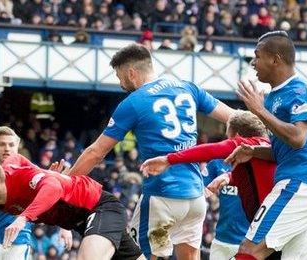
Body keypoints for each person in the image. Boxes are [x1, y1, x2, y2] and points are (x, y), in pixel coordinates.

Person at [66, 43, 234, 259]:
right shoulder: (188, 87)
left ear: (131, 73)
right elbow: (233, 117)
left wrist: (66, 183)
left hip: (162, 196)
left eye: (120, 77)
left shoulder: (134, 102)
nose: (120, 84)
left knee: (137, 255)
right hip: (195, 197)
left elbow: (96, 153)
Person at [225, 31, 307, 260]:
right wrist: (254, 150)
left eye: (257, 56)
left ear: (275, 59)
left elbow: (298, 138)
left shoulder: (300, 90)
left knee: (249, 250)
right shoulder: (273, 97)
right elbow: (285, 149)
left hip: (302, 184)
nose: (253, 62)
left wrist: (259, 111)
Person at [140, 111, 276, 259]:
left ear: (236, 136)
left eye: (228, 136)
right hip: (259, 230)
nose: (226, 140)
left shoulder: (248, 144)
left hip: (265, 228)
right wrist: (229, 177)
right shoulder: (269, 148)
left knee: (248, 252)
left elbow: (213, 149)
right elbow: (259, 178)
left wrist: (168, 159)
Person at [0, 152, 141, 259]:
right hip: (82, 223)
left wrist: (23, 217)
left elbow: (53, 187)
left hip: (100, 207)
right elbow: (16, 158)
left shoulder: (21, 179)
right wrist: (43, 173)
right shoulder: (5, 177)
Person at [0, 126, 71, 259]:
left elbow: (53, 197)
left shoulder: (30, 173)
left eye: (11, 144)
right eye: (2, 144)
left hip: (19, 241)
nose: (7, 148)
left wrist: (65, 227)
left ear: (17, 147)